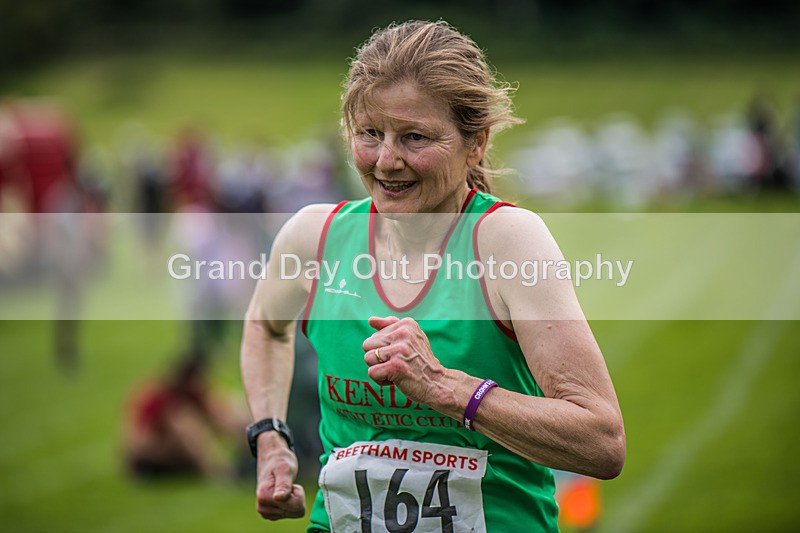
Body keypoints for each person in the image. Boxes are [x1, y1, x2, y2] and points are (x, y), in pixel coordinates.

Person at [240, 20, 625, 532]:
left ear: (476, 143)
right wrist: (271, 438)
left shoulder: (507, 242)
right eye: (370, 134)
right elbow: (266, 327)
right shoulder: (314, 237)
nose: (387, 161)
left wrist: (446, 387)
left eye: (415, 137)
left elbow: (602, 442)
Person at [124, 353, 250, 481]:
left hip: (175, 456)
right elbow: (140, 441)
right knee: (184, 422)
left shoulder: (194, 393)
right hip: (151, 458)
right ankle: (220, 474)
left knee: (234, 406)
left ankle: (250, 453)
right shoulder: (160, 396)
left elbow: (220, 415)